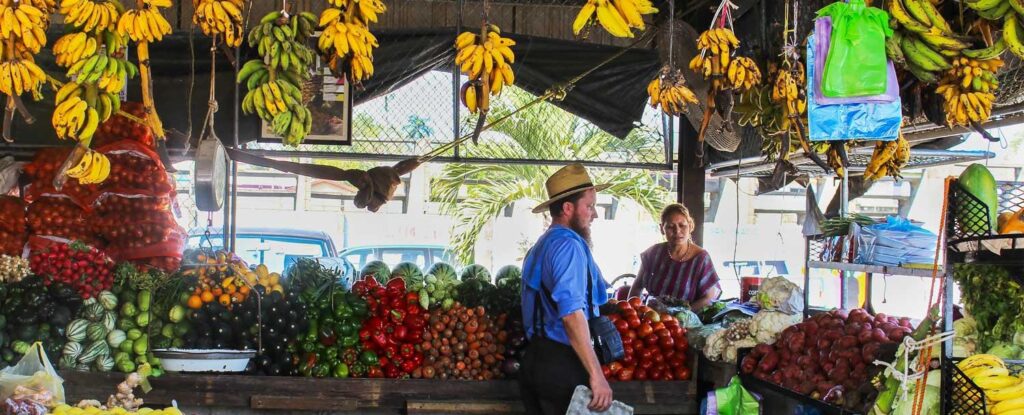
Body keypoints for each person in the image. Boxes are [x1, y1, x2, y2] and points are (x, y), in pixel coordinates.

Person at [519, 163, 614, 414]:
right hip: (561, 363)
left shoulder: (542, 244)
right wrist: (596, 375)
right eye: (590, 206)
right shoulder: (567, 246)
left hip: (537, 360)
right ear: (568, 208)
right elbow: (571, 313)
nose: (594, 215)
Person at [628, 203, 721, 311]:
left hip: (685, 323)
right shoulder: (653, 253)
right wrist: (631, 313)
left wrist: (682, 315)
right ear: (662, 229)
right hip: (651, 321)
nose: (677, 231)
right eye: (670, 227)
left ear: (690, 226)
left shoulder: (700, 258)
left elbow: (709, 298)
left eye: (682, 225)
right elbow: (637, 287)